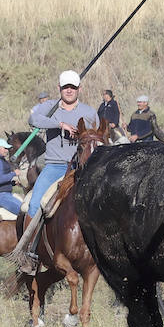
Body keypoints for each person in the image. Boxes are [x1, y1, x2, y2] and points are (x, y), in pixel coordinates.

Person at [26, 70, 97, 220]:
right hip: (54, 166)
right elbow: (33, 119)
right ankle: (30, 242)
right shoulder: (50, 106)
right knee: (34, 205)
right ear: (59, 88)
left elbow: (97, 137)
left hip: (81, 168)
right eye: (66, 87)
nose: (69, 90)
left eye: (73, 87)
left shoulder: (89, 112)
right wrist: (59, 124)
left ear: (80, 89)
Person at [0, 137, 22, 215]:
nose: (7, 150)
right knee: (23, 212)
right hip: (1, 195)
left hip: (4, 194)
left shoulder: (0, 160)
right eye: (5, 148)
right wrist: (14, 173)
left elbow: (0, 179)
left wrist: (12, 183)